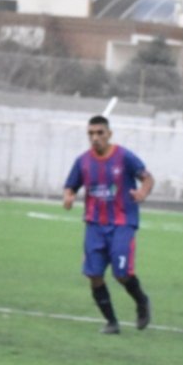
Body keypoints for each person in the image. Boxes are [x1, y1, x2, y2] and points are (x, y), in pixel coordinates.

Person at [62, 115, 152, 334]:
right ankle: (112, 323)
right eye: (91, 133)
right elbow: (70, 186)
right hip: (94, 225)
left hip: (122, 223)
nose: (95, 138)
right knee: (94, 275)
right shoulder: (82, 161)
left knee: (121, 274)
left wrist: (142, 192)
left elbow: (148, 178)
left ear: (109, 134)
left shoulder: (124, 157)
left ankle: (142, 302)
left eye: (100, 133)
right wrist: (68, 196)